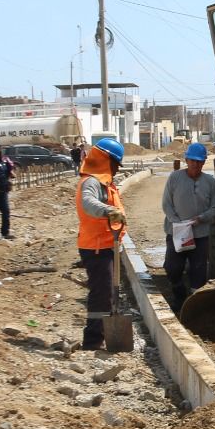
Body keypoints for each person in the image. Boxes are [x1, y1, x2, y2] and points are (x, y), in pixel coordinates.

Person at [75, 136, 128, 351]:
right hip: (95, 248)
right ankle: (93, 341)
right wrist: (109, 211)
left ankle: (101, 335)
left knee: (106, 292)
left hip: (107, 245)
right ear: (105, 160)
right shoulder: (91, 182)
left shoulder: (105, 183)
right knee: (101, 294)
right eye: (114, 164)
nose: (116, 169)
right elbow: (88, 203)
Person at [161, 141, 215, 313]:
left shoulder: (209, 181)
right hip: (177, 233)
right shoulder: (175, 178)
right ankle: (179, 294)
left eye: (199, 161)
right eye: (192, 160)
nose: (195, 164)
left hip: (200, 234)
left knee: (199, 270)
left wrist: (201, 218)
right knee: (172, 267)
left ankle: (194, 306)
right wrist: (177, 221)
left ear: (203, 162)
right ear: (186, 160)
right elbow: (166, 204)